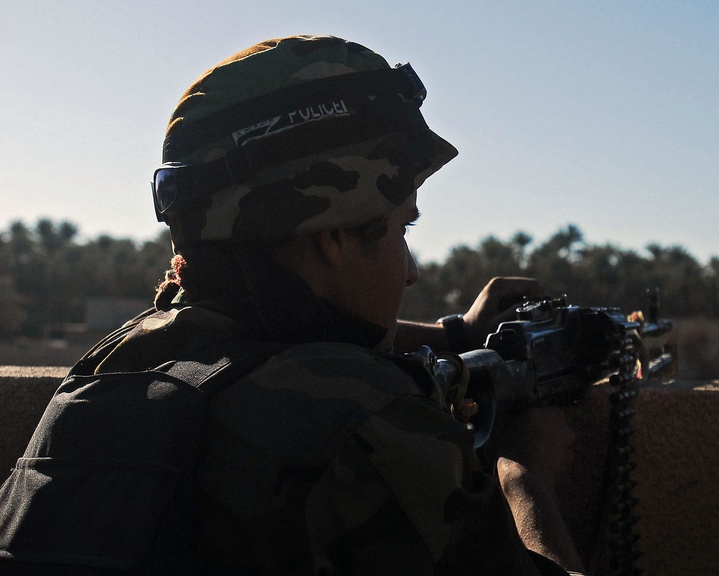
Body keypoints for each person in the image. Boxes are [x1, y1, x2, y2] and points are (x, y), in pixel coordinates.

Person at [71, 35, 582, 574]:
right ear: (332, 236)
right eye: (401, 228)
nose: (410, 271)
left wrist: (455, 336)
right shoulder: (361, 427)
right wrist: (527, 479)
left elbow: (271, 335)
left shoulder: (114, 366)